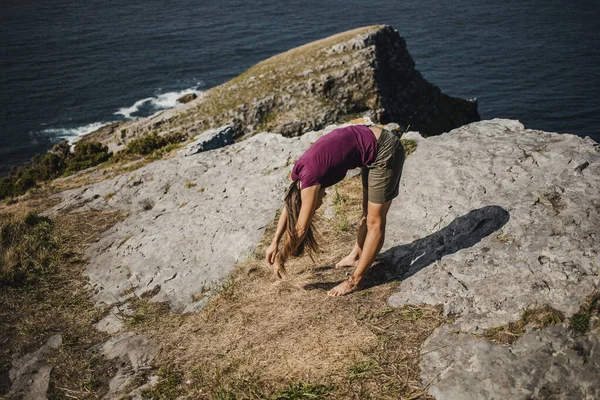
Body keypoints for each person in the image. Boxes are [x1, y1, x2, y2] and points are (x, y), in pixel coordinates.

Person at [265, 123, 405, 296]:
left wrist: (281, 258)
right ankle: (356, 255)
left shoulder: (310, 179)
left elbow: (301, 229)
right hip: (371, 145)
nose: (319, 205)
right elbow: (290, 205)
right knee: (366, 211)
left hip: (385, 150)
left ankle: (355, 281)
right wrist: (274, 241)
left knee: (375, 222)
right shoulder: (299, 174)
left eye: (313, 206)